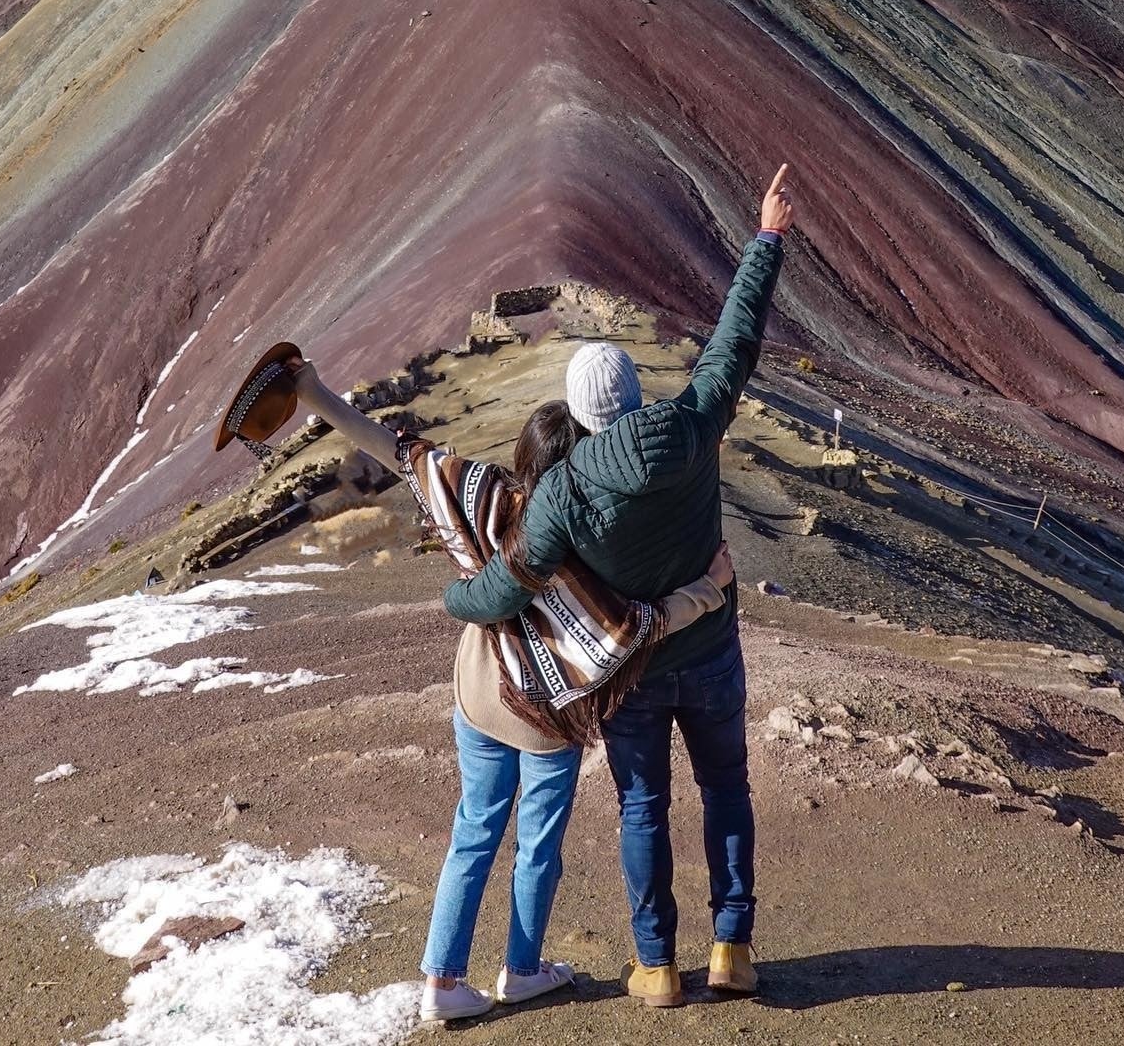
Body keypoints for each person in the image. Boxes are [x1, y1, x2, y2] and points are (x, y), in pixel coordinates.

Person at [442, 164, 793, 1007]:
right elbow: (736, 337)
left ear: (580, 414)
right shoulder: (695, 424)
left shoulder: (562, 492)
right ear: (634, 397)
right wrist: (768, 237)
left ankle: (657, 967)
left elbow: (508, 587)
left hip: (630, 672)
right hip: (711, 651)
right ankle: (732, 949)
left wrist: (455, 602)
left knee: (645, 810)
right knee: (727, 791)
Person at [288, 367, 736, 1026]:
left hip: (477, 693)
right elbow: (632, 628)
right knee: (537, 844)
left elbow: (401, 451)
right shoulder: (581, 545)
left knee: (472, 833)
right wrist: (708, 587)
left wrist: (315, 394)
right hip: (547, 717)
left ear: (525, 457)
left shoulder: (485, 494)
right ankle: (522, 970)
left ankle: (443, 978)